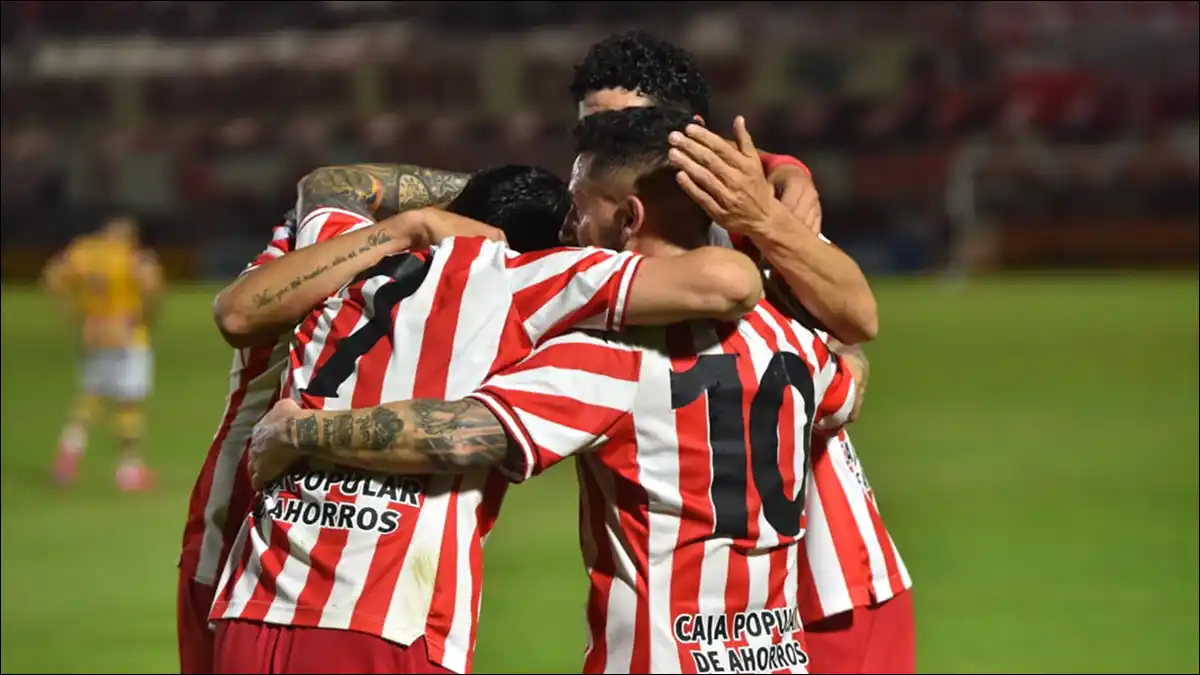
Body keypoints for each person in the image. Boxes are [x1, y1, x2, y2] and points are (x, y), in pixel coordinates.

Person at [248, 106, 862, 674]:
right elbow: (847, 387)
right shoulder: (788, 338)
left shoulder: (610, 357)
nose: (567, 228)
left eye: (577, 208)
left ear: (629, 219)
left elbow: (468, 434)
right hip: (777, 653)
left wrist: (301, 430)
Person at [178, 165, 582, 674]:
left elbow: (332, 184)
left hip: (245, 560)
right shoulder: (508, 288)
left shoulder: (341, 244)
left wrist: (459, 204)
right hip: (271, 553)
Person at [43, 214, 162, 491]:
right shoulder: (133, 257)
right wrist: (146, 315)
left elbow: (51, 276)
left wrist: (72, 310)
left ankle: (69, 452)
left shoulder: (83, 252)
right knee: (128, 403)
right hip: (126, 335)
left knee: (91, 397)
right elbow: (151, 285)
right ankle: (129, 471)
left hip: (93, 334)